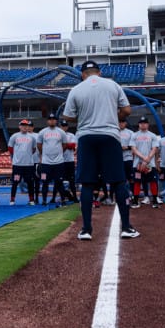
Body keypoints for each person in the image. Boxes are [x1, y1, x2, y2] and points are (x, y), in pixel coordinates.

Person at [62, 60, 139, 240]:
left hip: (86, 137)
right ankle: (126, 227)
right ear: (99, 72)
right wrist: (113, 115)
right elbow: (127, 110)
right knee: (119, 182)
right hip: (109, 135)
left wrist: (84, 116)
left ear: (83, 74)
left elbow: (68, 116)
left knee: (88, 184)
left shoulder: (76, 89)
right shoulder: (112, 85)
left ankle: (86, 230)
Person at [36, 114, 72, 206]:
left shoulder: (61, 132)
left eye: (54, 119)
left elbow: (64, 144)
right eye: (50, 119)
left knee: (59, 182)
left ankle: (63, 200)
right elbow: (39, 145)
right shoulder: (42, 132)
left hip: (58, 163)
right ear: (47, 121)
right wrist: (44, 154)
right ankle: (44, 200)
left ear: (56, 121)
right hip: (45, 163)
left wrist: (59, 153)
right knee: (45, 182)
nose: (52, 121)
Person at [130, 116, 160, 208]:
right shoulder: (134, 135)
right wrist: (144, 158)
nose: (143, 124)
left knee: (153, 182)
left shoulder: (152, 135)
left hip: (150, 164)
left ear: (148, 124)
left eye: (145, 123)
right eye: (141, 123)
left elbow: (154, 149)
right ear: (139, 124)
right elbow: (133, 149)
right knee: (137, 182)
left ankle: (154, 200)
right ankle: (135, 200)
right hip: (138, 164)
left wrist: (148, 159)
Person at [8, 119, 38, 206]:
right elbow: (10, 148)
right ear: (19, 126)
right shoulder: (14, 136)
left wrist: (27, 156)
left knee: (30, 182)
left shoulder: (32, 137)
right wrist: (18, 156)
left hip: (29, 164)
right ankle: (12, 200)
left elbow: (34, 149)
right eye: (23, 125)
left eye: (26, 125)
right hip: (18, 165)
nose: (25, 127)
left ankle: (31, 200)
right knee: (15, 182)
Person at [59, 120, 79, 203]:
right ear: (60, 126)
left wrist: (64, 145)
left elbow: (72, 146)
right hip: (60, 161)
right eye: (62, 126)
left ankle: (74, 197)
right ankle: (63, 197)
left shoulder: (71, 135)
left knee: (71, 180)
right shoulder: (58, 134)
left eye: (65, 126)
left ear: (67, 127)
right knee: (60, 180)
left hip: (69, 160)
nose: (64, 127)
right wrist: (66, 145)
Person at [119, 119, 135, 202]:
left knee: (131, 178)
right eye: (120, 122)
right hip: (118, 159)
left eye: (122, 122)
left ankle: (132, 194)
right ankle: (123, 194)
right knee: (121, 178)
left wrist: (127, 147)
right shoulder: (115, 132)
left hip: (128, 158)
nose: (121, 124)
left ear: (125, 123)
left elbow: (133, 145)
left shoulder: (130, 133)